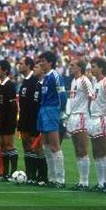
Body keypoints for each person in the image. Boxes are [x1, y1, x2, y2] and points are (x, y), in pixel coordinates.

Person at [37, 51, 67, 188]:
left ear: (50, 62)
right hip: (43, 110)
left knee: (54, 145)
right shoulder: (45, 77)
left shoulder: (55, 76)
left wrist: (61, 113)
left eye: (43, 60)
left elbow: (62, 96)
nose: (40, 63)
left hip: (52, 110)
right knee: (46, 146)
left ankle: (60, 179)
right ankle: (52, 178)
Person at [66, 58, 93, 190]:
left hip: (82, 116)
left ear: (80, 68)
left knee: (83, 149)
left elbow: (91, 97)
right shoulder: (73, 81)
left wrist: (88, 114)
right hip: (73, 116)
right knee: (77, 150)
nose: (70, 67)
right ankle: (81, 181)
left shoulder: (85, 80)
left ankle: (85, 181)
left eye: (73, 65)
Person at [88, 57, 106, 192]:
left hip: (102, 119)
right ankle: (100, 182)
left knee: (103, 152)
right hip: (93, 120)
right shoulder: (95, 83)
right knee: (96, 152)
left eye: (94, 66)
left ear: (101, 68)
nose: (92, 69)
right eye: (91, 66)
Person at [17, 57, 42, 184]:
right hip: (24, 118)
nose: (18, 65)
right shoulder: (25, 81)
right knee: (26, 146)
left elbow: (36, 102)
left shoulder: (35, 80)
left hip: (33, 118)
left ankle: (39, 175)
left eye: (21, 63)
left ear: (28, 66)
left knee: (34, 147)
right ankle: (30, 174)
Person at [0, 59, 19, 180]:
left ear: (5, 71)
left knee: (10, 145)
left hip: (8, 120)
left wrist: (12, 121)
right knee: (2, 145)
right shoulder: (0, 85)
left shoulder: (10, 85)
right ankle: (5, 173)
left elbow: (12, 106)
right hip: (1, 119)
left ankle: (13, 173)